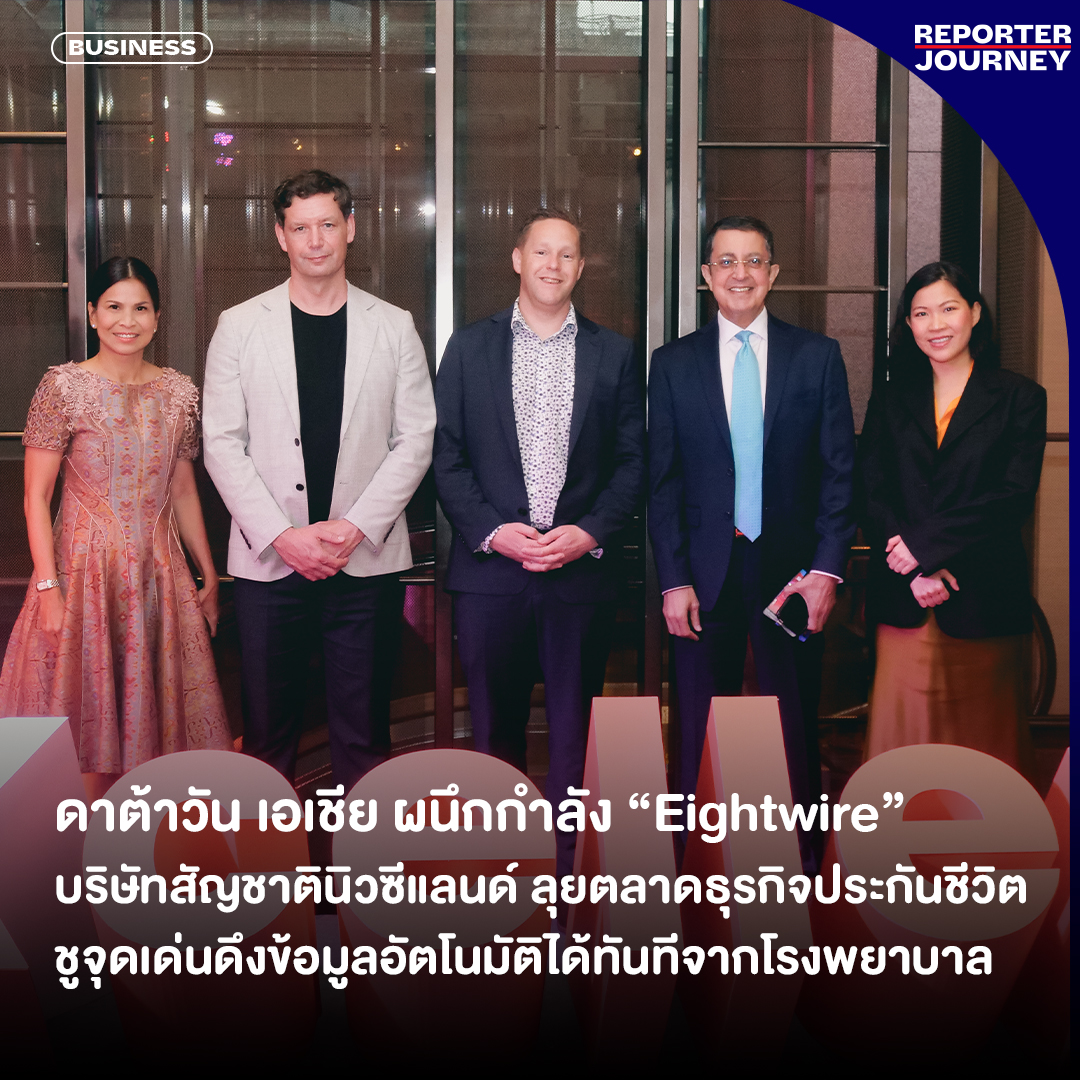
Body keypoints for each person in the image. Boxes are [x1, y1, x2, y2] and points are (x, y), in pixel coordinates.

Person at [202, 170, 434, 795]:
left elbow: (416, 438)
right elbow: (221, 442)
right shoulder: (239, 325)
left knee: (364, 734)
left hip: (364, 561)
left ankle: (362, 858)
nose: (315, 241)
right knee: (268, 733)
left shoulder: (394, 325)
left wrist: (354, 528)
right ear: (280, 236)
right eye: (300, 228)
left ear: (350, 228)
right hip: (269, 564)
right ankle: (269, 859)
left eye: (327, 224)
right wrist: (283, 536)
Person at [433, 208, 645, 880]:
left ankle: (567, 876)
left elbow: (633, 462)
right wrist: (493, 532)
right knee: (491, 729)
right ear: (517, 260)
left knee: (574, 733)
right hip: (491, 574)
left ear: (581, 267)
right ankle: (500, 869)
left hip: (579, 577)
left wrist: (591, 532)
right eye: (541, 252)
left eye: (567, 254)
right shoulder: (469, 348)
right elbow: (446, 456)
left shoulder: (615, 354)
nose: (553, 265)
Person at [647, 216, 856, 847]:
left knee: (795, 723)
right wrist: (672, 580)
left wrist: (827, 570)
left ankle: (804, 863)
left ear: (773, 273)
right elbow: (663, 482)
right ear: (707, 275)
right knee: (695, 725)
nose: (740, 274)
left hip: (793, 573)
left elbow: (839, 472)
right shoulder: (672, 363)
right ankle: (692, 864)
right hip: (703, 571)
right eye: (727, 261)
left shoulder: (816, 356)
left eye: (754, 261)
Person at [0, 257, 230, 799]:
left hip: (159, 576)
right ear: (92, 314)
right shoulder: (63, 387)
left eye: (141, 308)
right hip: (83, 578)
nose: (128, 321)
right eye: (114, 307)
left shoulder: (179, 392)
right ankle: (71, 841)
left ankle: (136, 838)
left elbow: (182, 490)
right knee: (78, 728)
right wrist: (48, 589)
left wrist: (208, 573)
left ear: (157, 318)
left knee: (161, 741)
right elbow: (35, 498)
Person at [859, 262, 1046, 774]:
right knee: (900, 745)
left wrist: (927, 549)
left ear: (975, 313)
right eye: (921, 313)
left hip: (982, 596)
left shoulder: (1021, 397)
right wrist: (915, 567)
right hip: (904, 595)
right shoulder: (891, 398)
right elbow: (870, 490)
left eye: (948, 308)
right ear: (909, 324)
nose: (936, 324)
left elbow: (1011, 497)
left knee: (985, 753)